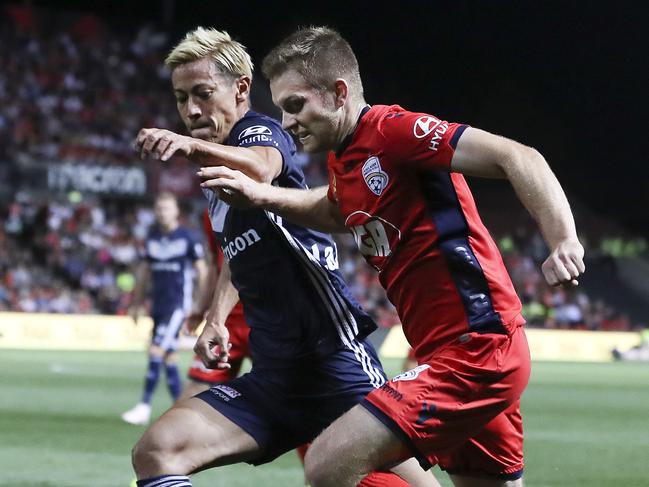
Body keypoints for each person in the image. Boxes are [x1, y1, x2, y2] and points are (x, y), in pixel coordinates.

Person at [198, 26, 586, 487]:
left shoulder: (394, 131)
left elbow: (517, 156)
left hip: (477, 348)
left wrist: (563, 240)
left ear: (339, 93)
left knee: (327, 464)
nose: (287, 122)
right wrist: (263, 197)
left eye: (296, 105)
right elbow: (334, 209)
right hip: (446, 353)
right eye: (282, 109)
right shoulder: (345, 159)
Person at [130, 27, 437, 487]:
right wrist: (216, 317)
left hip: (335, 364)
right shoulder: (218, 184)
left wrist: (190, 146)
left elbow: (260, 167)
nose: (191, 109)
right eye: (180, 98)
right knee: (156, 452)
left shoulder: (260, 132)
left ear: (239, 89)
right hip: (275, 378)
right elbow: (240, 253)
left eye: (202, 93)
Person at [122, 192, 209, 425]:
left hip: (177, 305)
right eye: (159, 209)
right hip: (158, 305)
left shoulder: (187, 238)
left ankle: (144, 406)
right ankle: (180, 413)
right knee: (169, 357)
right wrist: (137, 302)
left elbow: (202, 271)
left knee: (155, 351)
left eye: (167, 208)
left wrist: (201, 303)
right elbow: (144, 272)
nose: (162, 213)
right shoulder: (151, 237)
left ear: (176, 211)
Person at [178, 209, 250, 401]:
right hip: (227, 319)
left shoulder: (272, 200)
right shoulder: (211, 211)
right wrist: (200, 308)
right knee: (193, 396)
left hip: (267, 318)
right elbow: (214, 262)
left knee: (287, 398)